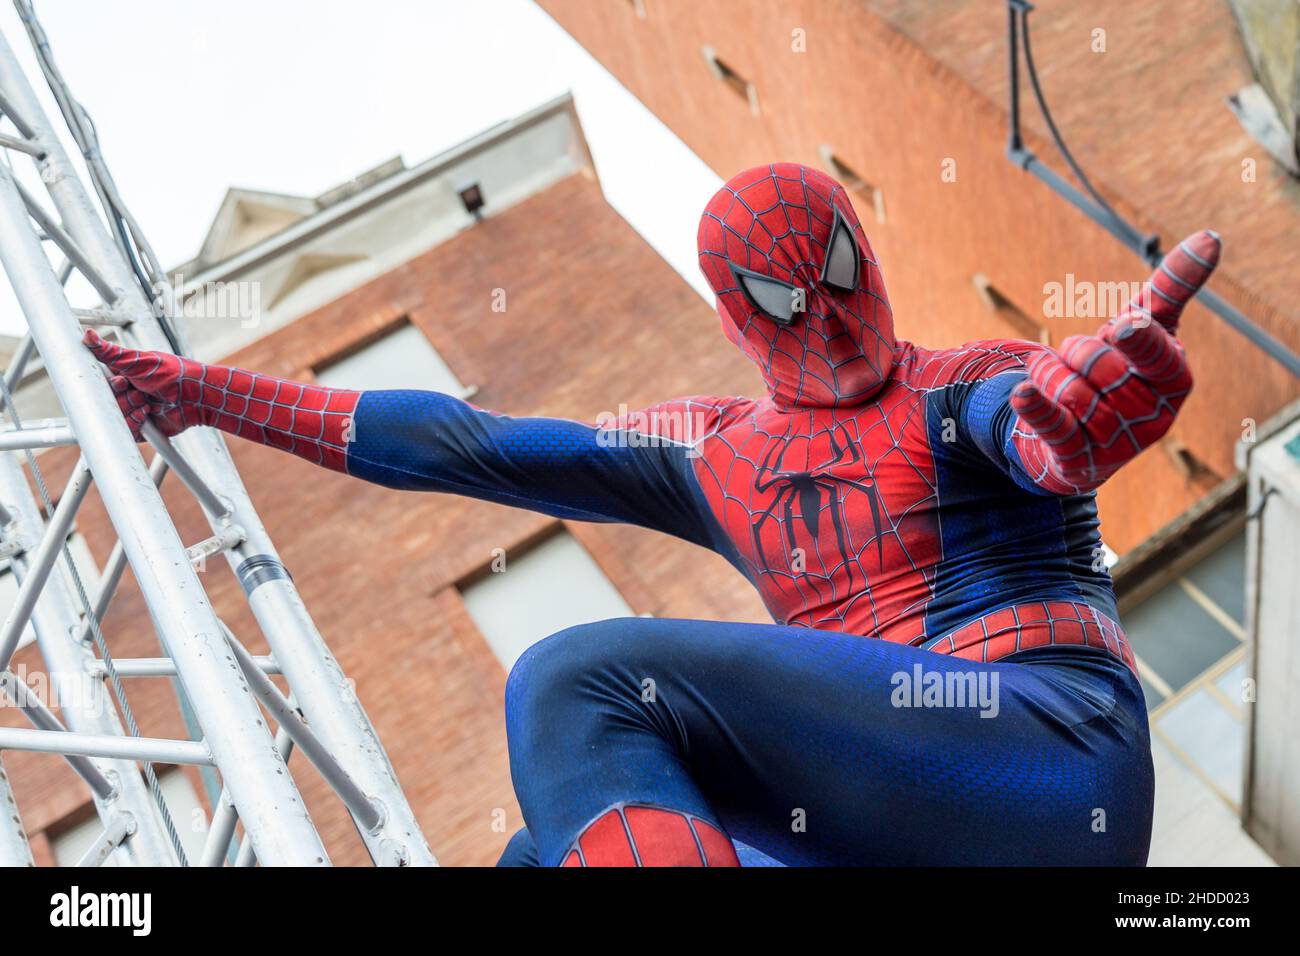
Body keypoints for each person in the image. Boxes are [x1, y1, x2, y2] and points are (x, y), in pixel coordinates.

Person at [86, 163, 1219, 866]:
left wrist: (1072, 424)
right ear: (736, 322)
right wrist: (207, 394)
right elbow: (471, 444)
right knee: (541, 851)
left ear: (868, 254)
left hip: (1040, 748)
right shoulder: (712, 451)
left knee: (578, 678)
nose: (826, 318)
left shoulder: (961, 379)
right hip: (890, 813)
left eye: (836, 271)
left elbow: (1023, 427)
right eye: (784, 298)